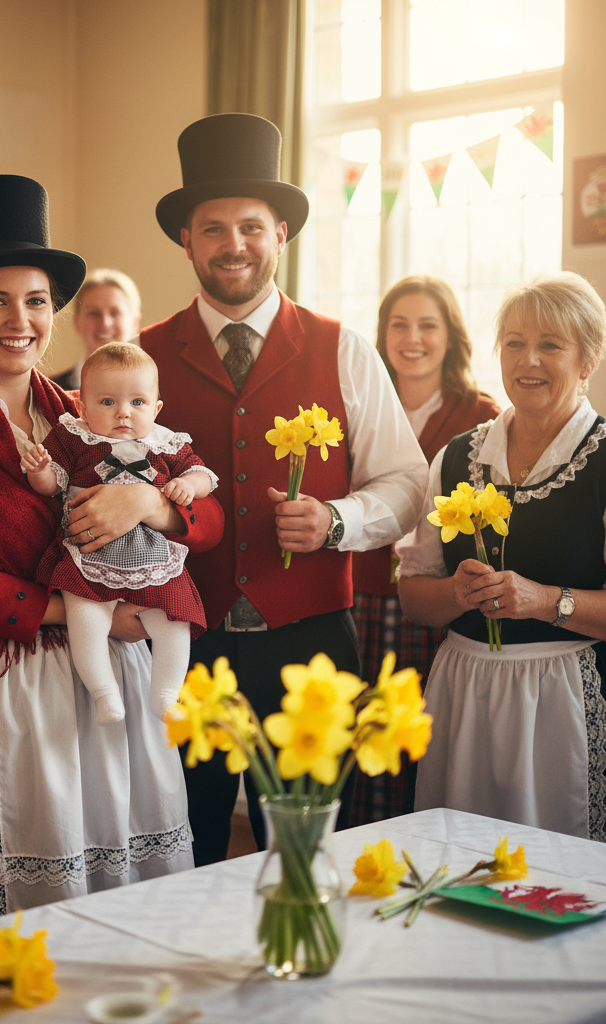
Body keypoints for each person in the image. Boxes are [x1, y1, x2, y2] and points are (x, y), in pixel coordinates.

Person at [0, 175, 223, 939]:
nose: (20, 319)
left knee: (112, 905)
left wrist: (156, 506)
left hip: (99, 704)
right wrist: (94, 615)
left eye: (35, 300)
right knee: (9, 932)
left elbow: (205, 513)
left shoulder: (80, 413)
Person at [141, 112, 429, 864]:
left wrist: (338, 520)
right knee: (181, 846)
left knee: (306, 852)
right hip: (181, 642)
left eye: (249, 226)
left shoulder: (344, 348)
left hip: (311, 641)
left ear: (280, 235)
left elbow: (406, 479)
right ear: (187, 239)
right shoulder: (139, 359)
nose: (232, 244)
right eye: (212, 228)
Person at [399, 272, 606, 842]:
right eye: (514, 342)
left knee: (559, 878)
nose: (528, 360)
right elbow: (414, 593)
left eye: (551, 345)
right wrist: (453, 595)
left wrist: (544, 602)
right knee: (458, 865)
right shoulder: (457, 455)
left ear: (588, 359)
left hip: (564, 698)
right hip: (463, 692)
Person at [348, 276, 500, 825]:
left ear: (450, 335)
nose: (412, 338)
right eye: (399, 324)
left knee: (426, 743)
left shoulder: (482, 418)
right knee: (363, 744)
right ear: (382, 335)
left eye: (427, 325)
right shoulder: (358, 404)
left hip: (442, 605)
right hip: (361, 596)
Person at [23, 342, 216, 723]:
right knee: (86, 618)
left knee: (174, 619)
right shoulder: (74, 437)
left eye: (138, 403)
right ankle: (103, 691)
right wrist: (38, 470)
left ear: (156, 408)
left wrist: (189, 487)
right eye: (107, 402)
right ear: (82, 406)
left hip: (152, 553)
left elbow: (205, 476)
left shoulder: (165, 442)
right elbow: (50, 485)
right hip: (89, 553)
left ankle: (166, 694)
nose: (123, 413)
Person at [52, 268, 141, 390]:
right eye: (94, 313)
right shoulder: (50, 393)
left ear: (135, 322)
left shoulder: (157, 390)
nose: (105, 323)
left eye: (115, 313)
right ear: (77, 322)